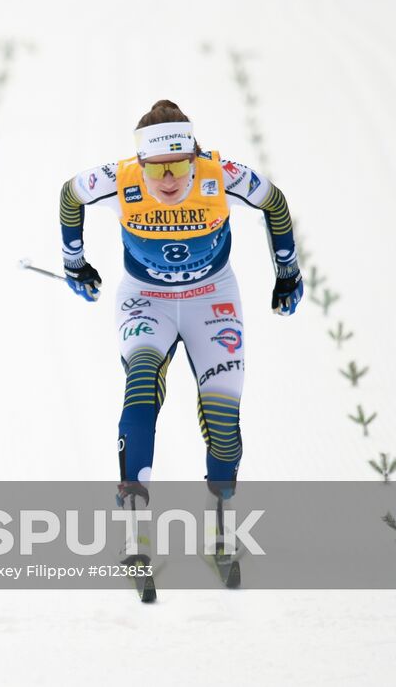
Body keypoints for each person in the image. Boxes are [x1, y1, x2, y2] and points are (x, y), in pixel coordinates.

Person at [56, 100, 302, 509]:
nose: (167, 178)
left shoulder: (222, 176)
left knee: (223, 425)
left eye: (178, 165)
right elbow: (70, 195)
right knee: (140, 383)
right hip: (146, 299)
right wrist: (75, 263)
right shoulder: (119, 179)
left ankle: (218, 518)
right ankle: (134, 512)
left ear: (194, 158)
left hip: (212, 298)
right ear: (141, 162)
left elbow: (274, 203)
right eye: (155, 168)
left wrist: (288, 272)